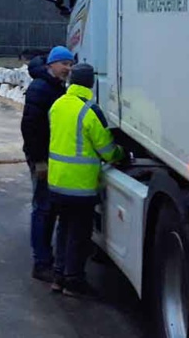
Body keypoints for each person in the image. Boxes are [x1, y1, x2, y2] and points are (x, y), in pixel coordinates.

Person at [47, 62, 124, 298]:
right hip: (79, 186)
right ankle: (74, 281)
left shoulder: (57, 105)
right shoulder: (90, 111)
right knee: (79, 235)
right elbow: (107, 149)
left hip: (57, 182)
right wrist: (122, 155)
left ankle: (58, 277)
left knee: (63, 229)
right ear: (90, 83)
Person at [20, 45, 75, 281]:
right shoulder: (41, 88)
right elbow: (30, 128)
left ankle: (46, 258)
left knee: (50, 208)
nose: (67, 69)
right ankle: (41, 262)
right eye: (64, 64)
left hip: (52, 157)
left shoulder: (54, 86)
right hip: (42, 159)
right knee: (43, 209)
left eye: (70, 65)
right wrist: (39, 161)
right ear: (51, 64)